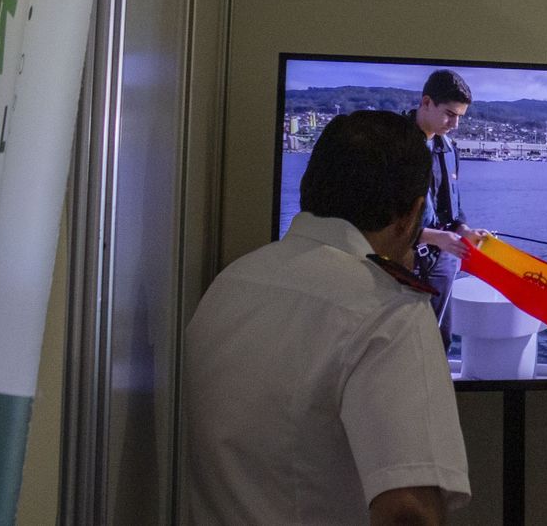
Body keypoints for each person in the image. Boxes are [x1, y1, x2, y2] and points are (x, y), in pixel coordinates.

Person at [184, 109, 469, 525]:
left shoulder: (231, 283)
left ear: (308, 188)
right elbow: (408, 511)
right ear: (412, 213)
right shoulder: (389, 312)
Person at [410, 68, 488, 349]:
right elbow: (377, 216)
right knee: (403, 344)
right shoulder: (394, 147)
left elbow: (451, 205)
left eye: (460, 117)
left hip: (442, 260)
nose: (455, 124)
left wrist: (463, 229)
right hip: (401, 262)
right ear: (426, 102)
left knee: (438, 341)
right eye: (449, 114)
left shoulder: (449, 148)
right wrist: (431, 236)